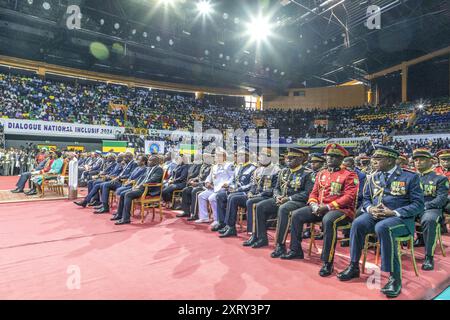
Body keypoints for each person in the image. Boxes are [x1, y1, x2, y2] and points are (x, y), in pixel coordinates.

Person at [337, 146, 424, 298]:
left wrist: (394, 212)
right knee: (358, 223)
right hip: (376, 214)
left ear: (390, 160)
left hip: (400, 219)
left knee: (383, 227)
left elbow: (418, 205)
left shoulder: (410, 177)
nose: (373, 161)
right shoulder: (373, 176)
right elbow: (365, 199)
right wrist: (370, 209)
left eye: (378, 159)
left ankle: (394, 277)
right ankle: (353, 265)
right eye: (373, 158)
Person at [284, 144, 359, 278]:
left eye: (334, 156)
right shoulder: (321, 173)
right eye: (328, 156)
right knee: (296, 215)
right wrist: (313, 206)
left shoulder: (349, 174)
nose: (330, 158)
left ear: (341, 158)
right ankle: (295, 249)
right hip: (320, 208)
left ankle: (327, 262)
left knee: (328, 220)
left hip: (341, 210)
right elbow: (313, 194)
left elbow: (349, 197)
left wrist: (328, 207)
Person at [244, 147, 313, 252]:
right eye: (287, 157)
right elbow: (276, 188)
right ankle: (261, 237)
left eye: (292, 158)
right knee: (260, 206)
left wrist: (289, 198)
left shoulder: (307, 173)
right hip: (281, 199)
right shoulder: (283, 172)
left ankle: (280, 245)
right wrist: (277, 196)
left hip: (298, 202)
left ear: (300, 159)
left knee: (283, 209)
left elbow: (307, 193)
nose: (288, 160)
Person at [412, 148, 448, 270]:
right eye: (416, 160)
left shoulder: (440, 178)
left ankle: (429, 256)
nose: (418, 162)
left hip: (431, 207)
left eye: (422, 160)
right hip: (413, 207)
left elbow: (442, 199)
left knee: (429, 220)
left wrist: (425, 206)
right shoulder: (412, 177)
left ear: (430, 162)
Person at [112, 155, 164, 225]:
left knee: (128, 194)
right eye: (148, 160)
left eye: (150, 160)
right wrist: (137, 184)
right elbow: (142, 177)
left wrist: (140, 185)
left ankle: (126, 218)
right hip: (142, 188)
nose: (148, 161)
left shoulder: (159, 169)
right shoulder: (149, 168)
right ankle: (119, 215)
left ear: (155, 162)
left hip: (149, 189)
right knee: (122, 193)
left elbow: (153, 180)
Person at [215, 147, 257, 232]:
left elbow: (252, 185)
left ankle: (230, 226)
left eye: (242, 155)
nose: (239, 157)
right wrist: (230, 187)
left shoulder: (253, 168)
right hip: (236, 191)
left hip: (246, 193)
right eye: (238, 155)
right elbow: (234, 181)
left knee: (232, 197)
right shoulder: (238, 167)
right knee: (219, 195)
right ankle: (222, 222)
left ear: (248, 156)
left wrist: (237, 189)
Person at [196, 148, 234, 226]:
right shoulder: (214, 166)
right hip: (214, 188)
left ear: (224, 157)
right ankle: (204, 217)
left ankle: (217, 219)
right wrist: (207, 182)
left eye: (219, 156)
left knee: (212, 198)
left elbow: (233, 177)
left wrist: (227, 183)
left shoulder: (229, 165)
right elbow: (209, 177)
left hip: (223, 188)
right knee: (201, 195)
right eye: (216, 156)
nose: (217, 157)